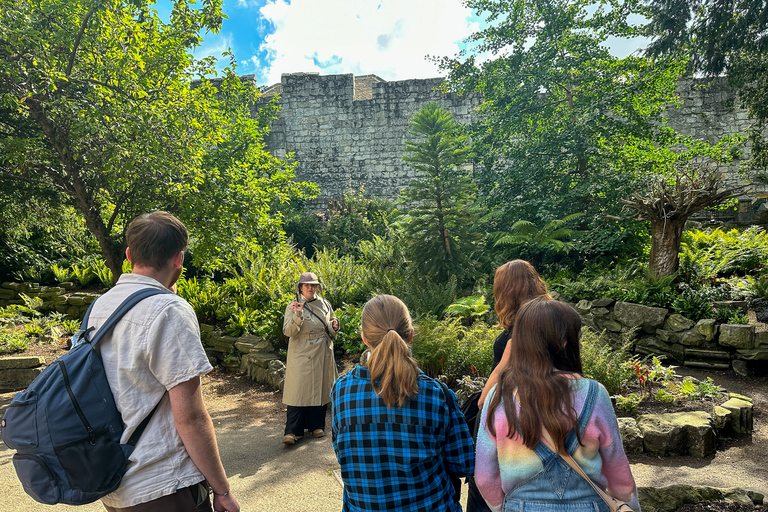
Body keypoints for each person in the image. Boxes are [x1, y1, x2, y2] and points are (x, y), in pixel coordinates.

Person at [91, 211, 239, 512]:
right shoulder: (170, 311)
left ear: (130, 254)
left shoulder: (101, 305)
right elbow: (191, 418)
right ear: (179, 259)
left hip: (115, 482)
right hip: (163, 485)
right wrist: (222, 490)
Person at [475, 297, 640, 512]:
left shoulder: (499, 396)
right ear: (563, 343)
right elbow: (618, 471)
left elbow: (484, 477)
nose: (580, 345)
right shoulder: (594, 393)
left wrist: (502, 507)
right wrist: (631, 506)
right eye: (577, 338)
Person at [331, 294, 475, 512]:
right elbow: (463, 463)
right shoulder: (436, 394)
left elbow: (342, 454)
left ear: (365, 338)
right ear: (410, 335)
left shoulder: (341, 391)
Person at [466, 260, 551, 512]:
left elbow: (485, 400)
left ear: (507, 291)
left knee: (482, 489)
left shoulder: (517, 336)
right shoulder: (551, 321)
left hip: (506, 418)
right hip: (546, 414)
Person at [282, 271, 339, 445]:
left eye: (313, 285)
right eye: (307, 285)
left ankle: (317, 426)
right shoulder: (293, 305)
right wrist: (297, 315)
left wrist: (333, 325)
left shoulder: (325, 304)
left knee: (319, 388)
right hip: (301, 352)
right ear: (300, 287)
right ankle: (292, 431)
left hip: (322, 351)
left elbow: (330, 323)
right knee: (297, 391)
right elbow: (288, 332)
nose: (310, 288)